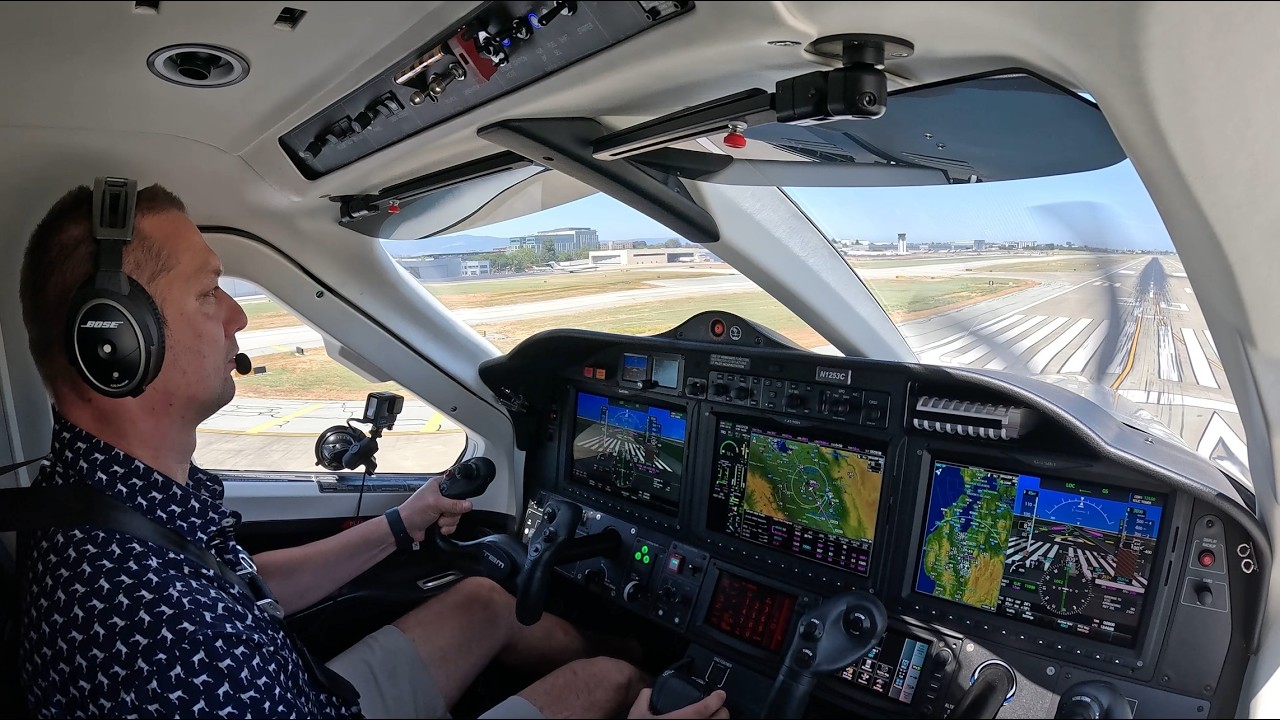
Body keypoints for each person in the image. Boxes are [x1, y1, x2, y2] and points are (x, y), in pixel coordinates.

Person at [14, 180, 730, 720]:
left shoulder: (109, 497)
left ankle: (635, 657)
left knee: (483, 600)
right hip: (298, 698)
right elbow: (206, 624)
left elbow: (239, 581)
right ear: (114, 345)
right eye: (209, 293)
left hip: (302, 689)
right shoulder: (163, 635)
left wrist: (399, 525)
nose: (236, 315)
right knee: (604, 687)